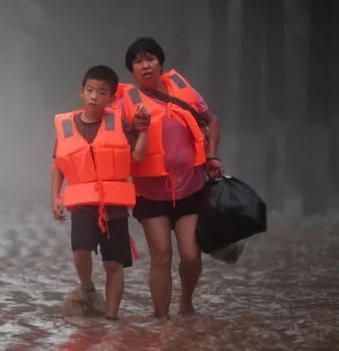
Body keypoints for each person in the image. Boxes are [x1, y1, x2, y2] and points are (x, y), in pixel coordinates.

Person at [115, 37, 223, 319]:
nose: (145, 65)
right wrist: (133, 128)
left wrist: (212, 156)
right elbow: (114, 142)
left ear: (161, 63)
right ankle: (161, 320)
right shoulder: (125, 104)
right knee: (161, 255)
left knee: (190, 255)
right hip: (151, 193)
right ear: (132, 72)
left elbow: (211, 120)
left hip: (190, 187)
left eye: (150, 58)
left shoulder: (184, 92)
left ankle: (185, 303)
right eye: (138, 62)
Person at [52, 65, 151, 320]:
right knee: (80, 250)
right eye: (90, 90)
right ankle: (87, 288)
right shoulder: (66, 125)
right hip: (83, 202)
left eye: (101, 92)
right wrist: (56, 197)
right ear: (81, 92)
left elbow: (138, 155)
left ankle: (111, 318)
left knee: (113, 263)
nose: (94, 96)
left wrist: (144, 130)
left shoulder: (120, 122)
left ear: (111, 97)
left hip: (114, 204)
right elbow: (59, 165)